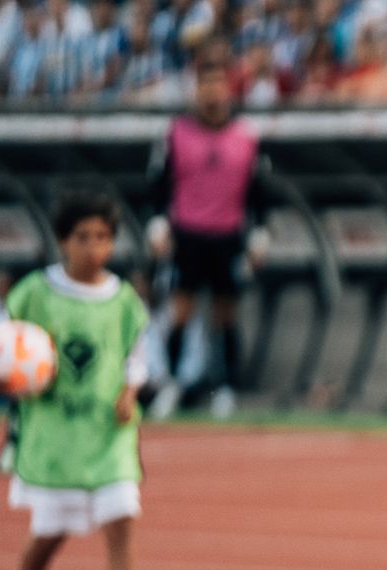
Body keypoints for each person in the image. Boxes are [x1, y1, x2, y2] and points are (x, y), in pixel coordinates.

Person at [0, 190, 154, 570]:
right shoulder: (34, 294)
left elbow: (135, 356)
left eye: (103, 237)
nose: (94, 248)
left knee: (121, 522)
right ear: (62, 241)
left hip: (109, 435)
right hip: (54, 437)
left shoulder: (122, 299)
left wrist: (129, 393)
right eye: (83, 238)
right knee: (50, 533)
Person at [145, 52, 267, 419]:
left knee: (225, 315)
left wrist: (260, 233)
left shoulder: (246, 137)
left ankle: (225, 388)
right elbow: (157, 184)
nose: (212, 92)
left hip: (227, 235)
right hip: (188, 234)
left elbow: (260, 190)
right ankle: (171, 384)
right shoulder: (175, 133)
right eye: (205, 84)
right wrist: (157, 223)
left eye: (218, 84)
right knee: (180, 312)